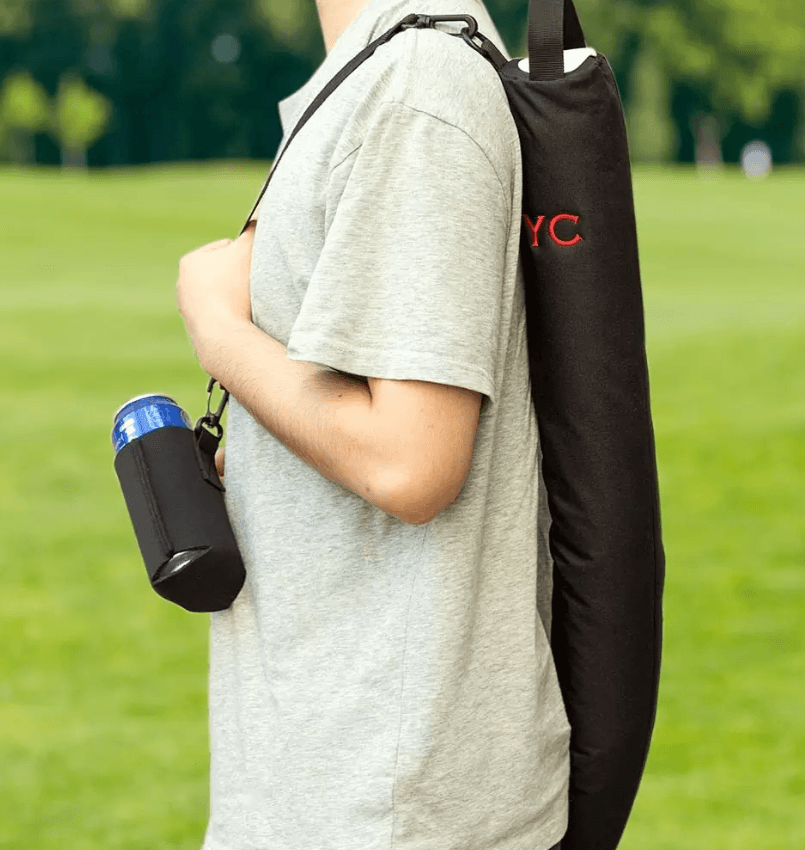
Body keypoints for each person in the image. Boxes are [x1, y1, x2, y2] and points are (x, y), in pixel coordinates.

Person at [175, 1, 570, 848]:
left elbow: (411, 461)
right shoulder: (387, 70)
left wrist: (219, 333)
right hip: (338, 779)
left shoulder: (417, 90)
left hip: (381, 802)